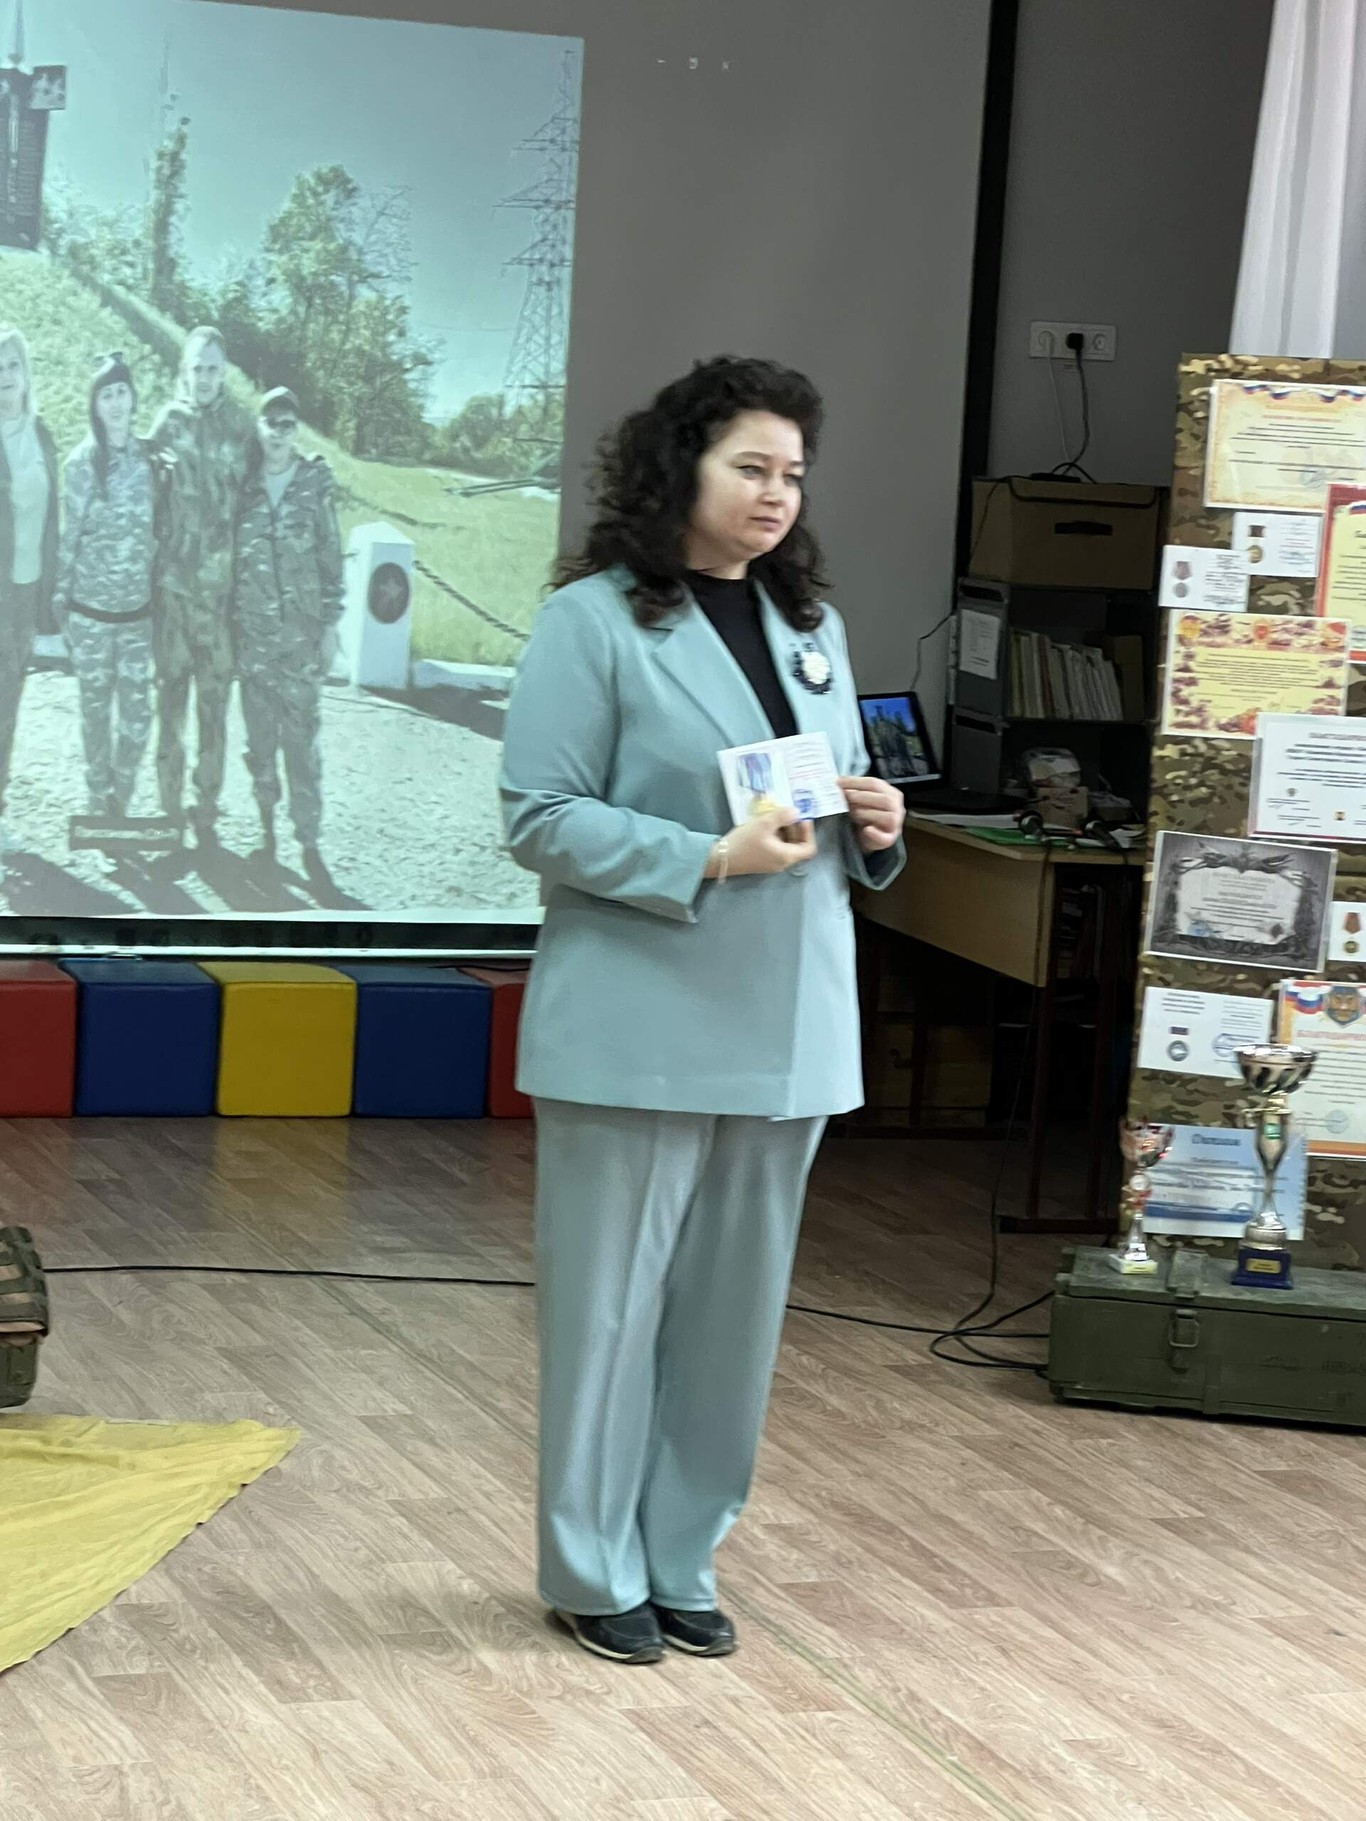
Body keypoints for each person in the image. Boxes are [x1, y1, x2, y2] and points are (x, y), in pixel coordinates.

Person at [500, 356, 906, 1666]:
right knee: (609, 1313)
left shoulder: (811, 626)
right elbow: (539, 816)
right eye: (751, 467)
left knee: (733, 1320)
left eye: (793, 474)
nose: (776, 494)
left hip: (789, 1026)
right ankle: (591, 1566)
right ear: (679, 468)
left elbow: (818, 796)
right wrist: (703, 856)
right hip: (639, 1019)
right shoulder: (591, 622)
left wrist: (874, 820)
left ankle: (680, 1554)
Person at [231, 387, 343, 887]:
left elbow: (330, 559)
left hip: (300, 643)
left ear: (297, 430)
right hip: (253, 643)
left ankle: (309, 840)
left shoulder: (313, 484)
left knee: (301, 746)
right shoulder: (245, 487)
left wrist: (330, 628)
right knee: (259, 745)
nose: (278, 433)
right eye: (270, 422)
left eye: (287, 424)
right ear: (258, 428)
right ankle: (266, 832)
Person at [149, 325, 254, 848]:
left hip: (219, 602)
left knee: (214, 713)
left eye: (214, 368)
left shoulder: (242, 428)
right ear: (184, 371)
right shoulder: (166, 424)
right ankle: (168, 813)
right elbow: (143, 498)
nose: (206, 377)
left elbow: (259, 501)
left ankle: (206, 810)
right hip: (172, 596)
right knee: (169, 708)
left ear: (224, 371)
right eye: (197, 368)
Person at [52, 354, 157, 818]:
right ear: (94, 404)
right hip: (91, 615)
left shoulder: (150, 460)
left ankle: (121, 800)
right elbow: (69, 536)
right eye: (106, 395)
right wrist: (62, 603)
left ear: (133, 398)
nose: (115, 403)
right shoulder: (81, 463)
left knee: (137, 719)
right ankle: (98, 797)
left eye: (121, 392)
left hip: (136, 617)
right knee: (95, 714)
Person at [0, 327, 59, 857]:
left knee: (8, 702)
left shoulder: (41, 435)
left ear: (25, 372)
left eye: (13, 364)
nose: (5, 375)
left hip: (26, 591)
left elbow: (53, 517)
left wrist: (50, 600)